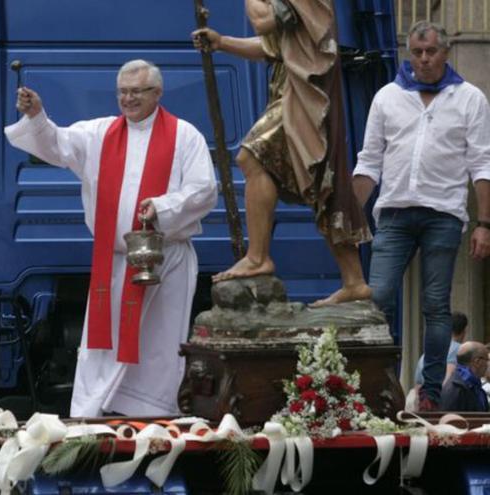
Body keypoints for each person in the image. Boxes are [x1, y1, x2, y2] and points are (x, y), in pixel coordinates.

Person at [5, 60, 218, 417]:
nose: (128, 99)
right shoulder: (99, 133)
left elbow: (203, 190)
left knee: (157, 343)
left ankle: (154, 413)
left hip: (165, 259)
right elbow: (56, 145)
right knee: (106, 342)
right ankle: (97, 410)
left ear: (157, 93)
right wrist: (38, 116)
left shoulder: (184, 135)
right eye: (123, 91)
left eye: (137, 91)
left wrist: (163, 207)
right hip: (115, 258)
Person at [192, 0, 372, 307]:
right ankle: (353, 281)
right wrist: (223, 43)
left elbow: (262, 21)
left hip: (307, 97)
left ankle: (258, 256)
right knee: (320, 185)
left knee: (252, 156)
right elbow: (272, 46)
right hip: (294, 93)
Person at [352, 21, 490, 411]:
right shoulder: (387, 97)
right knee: (377, 297)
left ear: (446, 52)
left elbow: (482, 164)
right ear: (409, 53)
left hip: (443, 214)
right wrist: (349, 213)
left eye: (430, 52)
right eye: (416, 52)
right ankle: (375, 384)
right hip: (394, 212)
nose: (423, 59)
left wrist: (484, 224)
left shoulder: (470, 98)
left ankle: (429, 393)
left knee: (435, 305)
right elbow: (369, 161)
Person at [413, 311, 468, 386]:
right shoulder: (459, 350)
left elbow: (418, 384)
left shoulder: (428, 353)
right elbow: (448, 380)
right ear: (464, 332)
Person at [441, 341, 490, 412]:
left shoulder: (475, 386)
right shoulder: (456, 389)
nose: (487, 364)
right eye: (487, 360)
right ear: (477, 362)